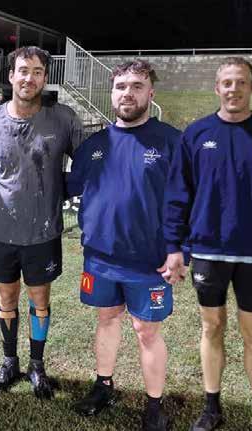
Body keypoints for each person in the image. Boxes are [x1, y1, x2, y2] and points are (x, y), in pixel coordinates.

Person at [162, 57, 252, 431]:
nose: (234, 89)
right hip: (208, 251)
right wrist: (174, 247)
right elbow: (178, 195)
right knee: (211, 326)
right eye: (227, 82)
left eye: (241, 82)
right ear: (216, 88)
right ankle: (212, 408)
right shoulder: (196, 134)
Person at [66, 60, 180, 430]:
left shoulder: (171, 142)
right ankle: (104, 386)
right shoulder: (94, 145)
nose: (127, 93)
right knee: (107, 318)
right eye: (120, 87)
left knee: (146, 331)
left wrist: (181, 250)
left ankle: (154, 406)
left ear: (151, 93)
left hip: (149, 261)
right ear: (112, 94)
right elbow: (69, 187)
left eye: (136, 86)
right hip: (100, 259)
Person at [0, 46, 83, 399]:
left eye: (37, 72)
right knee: (7, 297)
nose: (29, 78)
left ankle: (37, 364)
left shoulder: (63, 119)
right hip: (0, 231)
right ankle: (9, 361)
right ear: (11, 76)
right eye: (23, 70)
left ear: (45, 78)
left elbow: (88, 165)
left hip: (43, 232)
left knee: (39, 299)